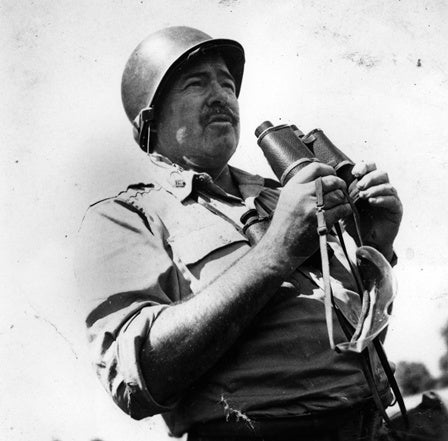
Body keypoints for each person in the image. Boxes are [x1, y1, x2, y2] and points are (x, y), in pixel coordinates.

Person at [76, 26, 403, 440]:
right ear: (149, 121)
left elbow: (361, 346)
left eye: (227, 84)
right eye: (196, 83)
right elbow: (139, 379)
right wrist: (276, 250)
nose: (221, 96)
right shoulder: (127, 217)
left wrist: (376, 245)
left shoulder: (284, 198)